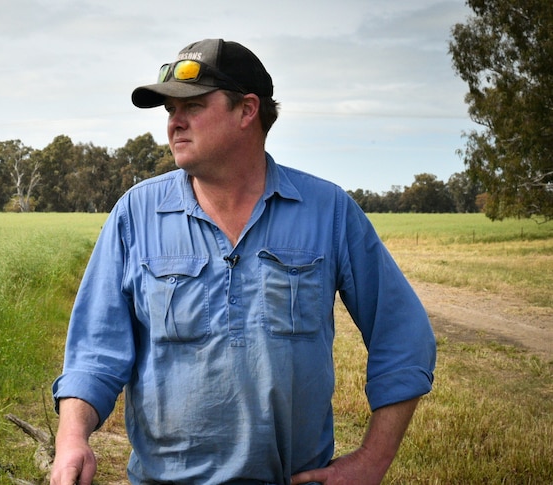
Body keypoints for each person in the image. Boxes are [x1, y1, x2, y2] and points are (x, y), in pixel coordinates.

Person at [50, 38, 436, 485]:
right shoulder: (136, 215)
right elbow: (94, 354)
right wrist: (72, 439)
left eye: (191, 105)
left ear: (247, 111)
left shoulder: (327, 211)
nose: (174, 122)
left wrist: (372, 461)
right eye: (169, 110)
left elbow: (403, 337)